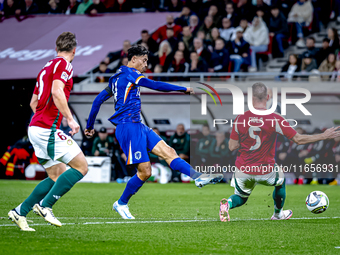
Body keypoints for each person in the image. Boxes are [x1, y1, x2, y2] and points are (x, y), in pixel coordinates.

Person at [84, 45, 223, 219]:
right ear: (133, 59)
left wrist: (90, 126)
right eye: (144, 60)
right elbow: (154, 85)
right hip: (128, 127)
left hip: (138, 125)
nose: (146, 65)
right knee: (145, 172)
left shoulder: (114, 78)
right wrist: (183, 89)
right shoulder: (131, 74)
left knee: (169, 152)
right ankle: (121, 203)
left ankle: (198, 177)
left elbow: (97, 101)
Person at [219, 82, 340, 222]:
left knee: (241, 197)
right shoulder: (275, 118)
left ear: (251, 98)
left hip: (243, 168)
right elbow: (298, 139)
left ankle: (227, 204)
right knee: (280, 181)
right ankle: (278, 214)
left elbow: (232, 146)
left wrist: (246, 142)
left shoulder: (240, 119)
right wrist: (323, 136)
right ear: (268, 97)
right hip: (265, 169)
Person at [8, 32, 88, 231]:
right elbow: (56, 91)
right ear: (74, 50)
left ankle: (19, 212)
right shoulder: (65, 65)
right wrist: (70, 119)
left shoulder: (46, 67)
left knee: (56, 175)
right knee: (81, 167)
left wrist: (42, 118)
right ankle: (45, 206)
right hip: (46, 129)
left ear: (56, 49)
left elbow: (33, 102)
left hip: (35, 127)